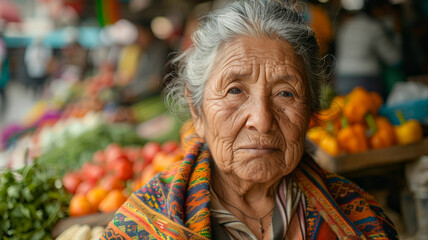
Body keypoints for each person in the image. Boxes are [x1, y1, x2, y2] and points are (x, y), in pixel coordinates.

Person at [101, 1, 398, 239]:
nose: (262, 120)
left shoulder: (361, 218)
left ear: (311, 112)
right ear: (197, 111)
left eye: (285, 93)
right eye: (234, 90)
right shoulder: (140, 229)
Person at [334, 0, 401, 99]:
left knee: (347, 111)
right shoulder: (374, 27)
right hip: (366, 80)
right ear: (377, 9)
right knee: (370, 110)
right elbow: (394, 58)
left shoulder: (348, 25)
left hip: (342, 79)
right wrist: (398, 34)